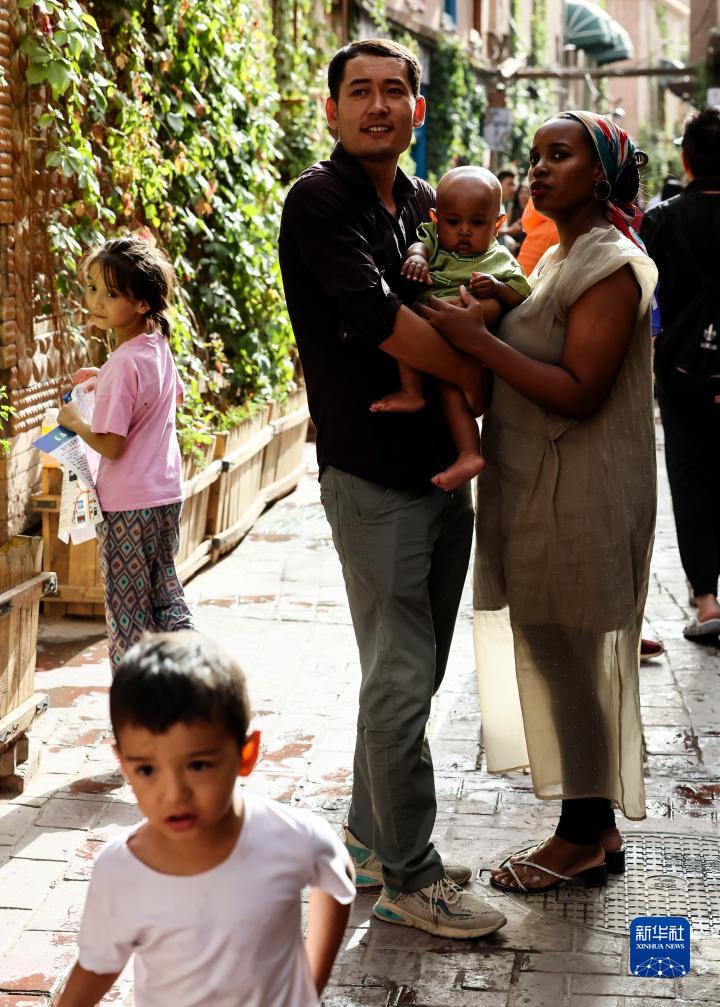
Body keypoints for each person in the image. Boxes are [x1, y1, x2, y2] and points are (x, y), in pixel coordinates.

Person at [279, 37, 507, 938]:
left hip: (441, 473)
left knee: (411, 669)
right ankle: (412, 876)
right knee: (401, 677)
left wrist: (473, 354)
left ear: (418, 107)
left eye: (393, 90)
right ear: (332, 109)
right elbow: (379, 319)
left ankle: (373, 842)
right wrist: (475, 368)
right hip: (374, 475)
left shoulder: (421, 202)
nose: (377, 105)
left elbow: (476, 288)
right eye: (359, 91)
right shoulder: (319, 200)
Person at [420, 111, 658, 892]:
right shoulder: (556, 255)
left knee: (569, 660)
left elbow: (582, 389)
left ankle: (578, 836)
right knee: (560, 659)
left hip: (583, 492)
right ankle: (597, 827)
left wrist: (481, 343)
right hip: (540, 486)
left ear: (602, 175)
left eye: (561, 155)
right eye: (536, 156)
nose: (540, 169)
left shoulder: (611, 264)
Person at [55, 632, 356, 1007]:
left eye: (197, 765)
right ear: (124, 765)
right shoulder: (120, 870)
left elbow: (338, 875)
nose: (174, 793)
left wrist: (310, 985)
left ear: (245, 755)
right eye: (147, 769)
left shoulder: (293, 838)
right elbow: (98, 966)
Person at [57, 238, 193, 670]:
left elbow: (111, 444)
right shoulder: (157, 347)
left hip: (126, 507)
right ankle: (192, 672)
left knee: (128, 613)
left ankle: (136, 701)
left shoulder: (123, 363)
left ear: (141, 304)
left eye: (111, 293)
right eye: (93, 287)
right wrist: (106, 378)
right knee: (165, 596)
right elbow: (172, 396)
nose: (96, 301)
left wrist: (76, 422)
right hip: (165, 496)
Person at [371, 165, 531, 491]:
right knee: (400, 326)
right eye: (453, 222)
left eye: (477, 223)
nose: (464, 232)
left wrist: (497, 288)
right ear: (436, 219)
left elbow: (520, 293)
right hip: (426, 324)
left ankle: (470, 453)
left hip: (465, 338)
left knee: (451, 391)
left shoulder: (499, 258)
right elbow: (420, 244)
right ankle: (412, 391)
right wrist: (417, 258)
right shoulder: (434, 241)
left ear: (497, 224)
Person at [641, 106, 720, 641]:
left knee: (690, 480)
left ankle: (707, 603)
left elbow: (645, 296)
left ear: (686, 160)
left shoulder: (663, 219)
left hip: (682, 371)